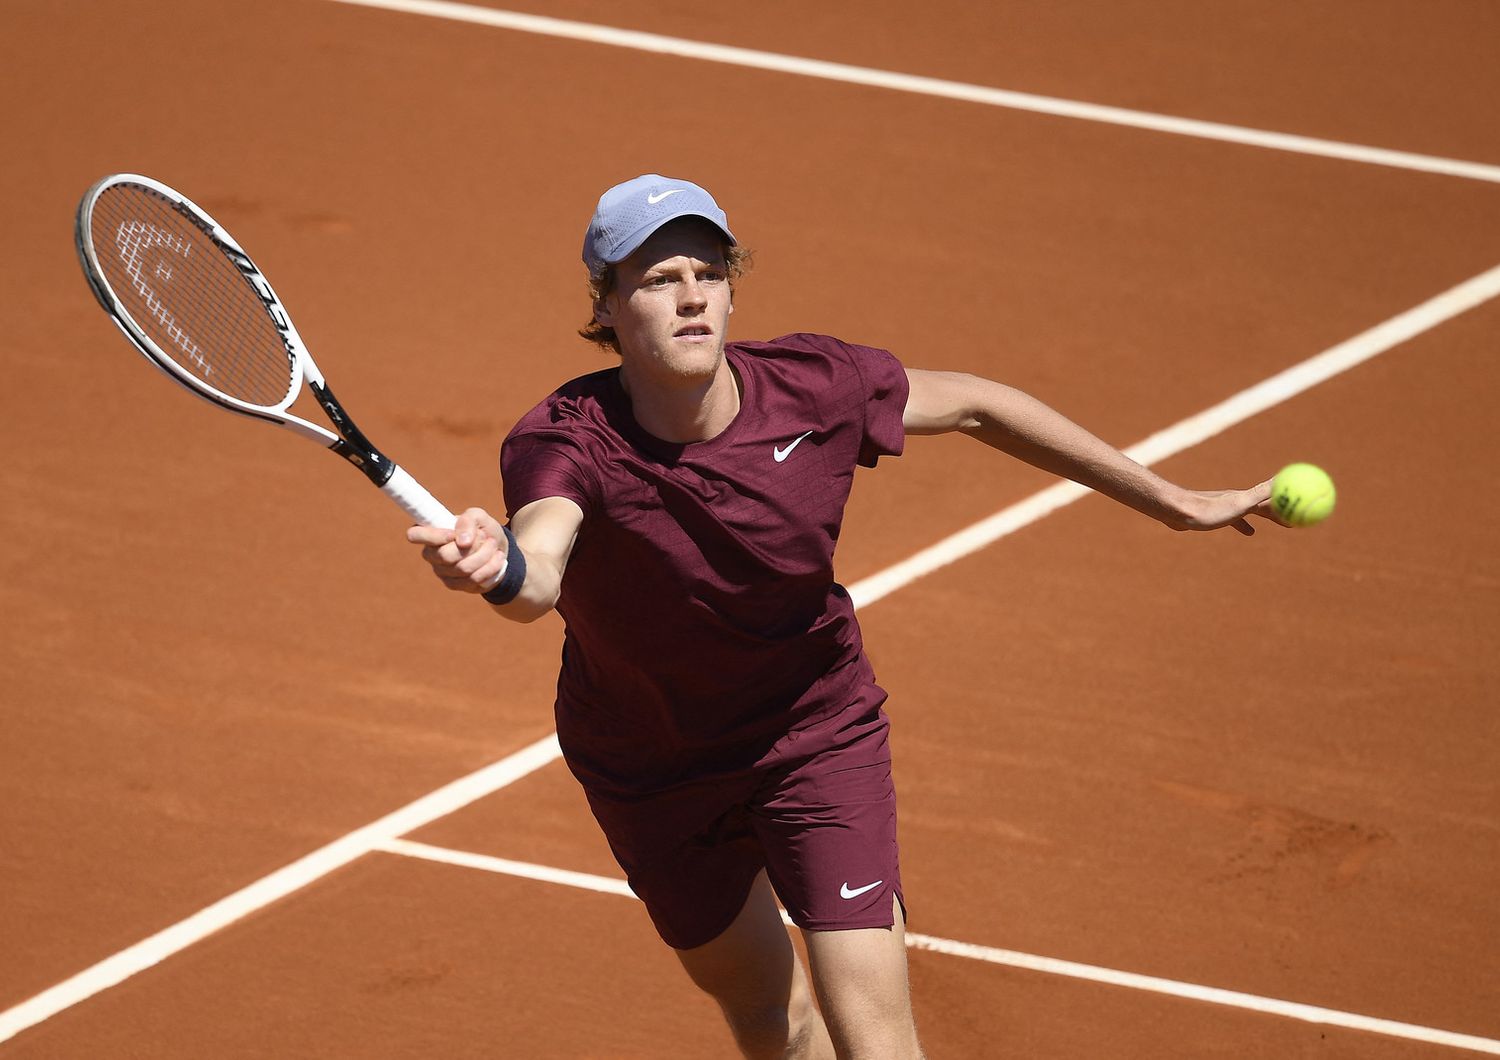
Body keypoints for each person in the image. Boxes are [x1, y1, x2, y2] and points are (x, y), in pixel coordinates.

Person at [408, 174, 1276, 1058]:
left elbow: (977, 402)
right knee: (773, 1021)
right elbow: (539, 570)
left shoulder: (813, 386)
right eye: (661, 277)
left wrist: (1170, 500)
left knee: (876, 1041)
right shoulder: (565, 439)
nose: (693, 295)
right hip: (649, 765)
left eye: (709, 272)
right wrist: (493, 564)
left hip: (812, 735)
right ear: (608, 302)